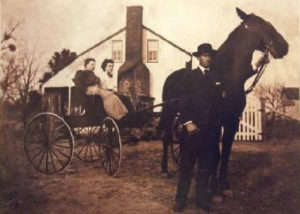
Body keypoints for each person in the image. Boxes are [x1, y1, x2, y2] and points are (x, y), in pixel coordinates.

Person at [174, 43, 222, 213]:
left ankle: (201, 199)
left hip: (210, 132)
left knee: (205, 167)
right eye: (204, 56)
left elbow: (219, 104)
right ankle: (180, 200)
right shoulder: (189, 76)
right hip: (192, 130)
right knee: (187, 167)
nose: (207, 59)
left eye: (209, 56)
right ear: (198, 57)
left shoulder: (216, 78)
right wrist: (188, 123)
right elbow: (183, 101)